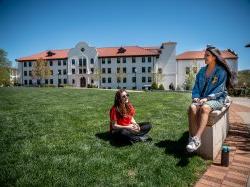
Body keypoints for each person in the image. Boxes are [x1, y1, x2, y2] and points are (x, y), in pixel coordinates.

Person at [186, 45, 232, 152]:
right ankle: (193, 140)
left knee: (205, 109)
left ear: (214, 57)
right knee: (192, 108)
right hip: (202, 99)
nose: (204, 57)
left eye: (207, 55)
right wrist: (196, 97)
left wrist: (206, 99)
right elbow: (196, 87)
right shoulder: (201, 71)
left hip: (217, 99)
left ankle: (197, 139)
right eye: (204, 55)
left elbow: (220, 90)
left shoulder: (221, 72)